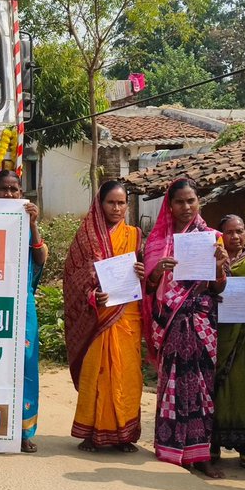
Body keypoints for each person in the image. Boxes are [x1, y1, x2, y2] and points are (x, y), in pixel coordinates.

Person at [143, 178, 229, 477]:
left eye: (191, 200)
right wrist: (157, 272)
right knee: (172, 383)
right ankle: (169, 448)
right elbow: (149, 288)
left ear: (199, 201)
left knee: (203, 386)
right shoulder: (157, 242)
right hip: (170, 321)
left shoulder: (212, 238)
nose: (186, 207)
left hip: (202, 320)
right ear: (170, 204)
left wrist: (219, 264)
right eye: (179, 201)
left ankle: (201, 453)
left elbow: (218, 287)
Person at [63, 180, 145, 452]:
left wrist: (145, 275)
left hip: (127, 317)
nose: (117, 208)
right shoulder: (86, 236)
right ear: (100, 204)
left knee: (126, 375)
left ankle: (124, 436)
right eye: (111, 202)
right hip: (97, 317)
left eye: (122, 203)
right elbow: (73, 277)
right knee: (96, 374)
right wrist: (91, 296)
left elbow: (147, 276)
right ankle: (92, 432)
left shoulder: (135, 235)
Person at [0, 170, 46, 453]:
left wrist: (33, 225)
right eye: (4, 189)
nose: (10, 195)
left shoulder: (25, 220)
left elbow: (40, 258)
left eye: (15, 189)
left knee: (24, 364)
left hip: (21, 306)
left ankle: (24, 431)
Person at [210, 214, 245, 468]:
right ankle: (213, 446)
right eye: (229, 232)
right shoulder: (213, 262)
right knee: (218, 389)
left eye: (240, 231)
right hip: (220, 335)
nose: (235, 236)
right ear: (221, 236)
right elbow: (201, 290)